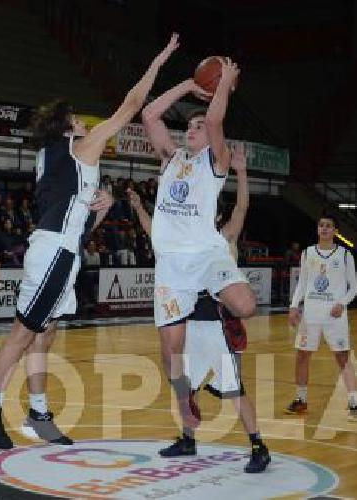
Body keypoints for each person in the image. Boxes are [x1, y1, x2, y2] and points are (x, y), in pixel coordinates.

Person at [0, 34, 180, 450]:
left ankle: (38, 413)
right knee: (23, 334)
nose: (87, 123)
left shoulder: (55, 158)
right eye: (80, 119)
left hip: (62, 248)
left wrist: (103, 204)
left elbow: (79, 221)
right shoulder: (79, 148)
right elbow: (131, 106)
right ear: (69, 126)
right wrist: (160, 60)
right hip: (53, 253)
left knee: (44, 334)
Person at [141, 54, 255, 454]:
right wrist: (190, 87)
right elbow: (151, 114)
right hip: (172, 264)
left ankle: (222, 312)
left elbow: (216, 121)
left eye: (198, 125)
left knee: (246, 305)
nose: (192, 128)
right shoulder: (171, 158)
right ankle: (186, 400)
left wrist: (223, 83)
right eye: (188, 125)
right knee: (169, 350)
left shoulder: (216, 162)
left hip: (205, 254)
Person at [128, 145, 268, 471]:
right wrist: (138, 207)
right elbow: (154, 232)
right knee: (183, 384)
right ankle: (187, 438)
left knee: (234, 389)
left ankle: (258, 445)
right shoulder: (180, 240)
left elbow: (242, 208)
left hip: (217, 326)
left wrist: (242, 171)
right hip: (190, 322)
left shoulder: (224, 238)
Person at [287, 212, 357, 421]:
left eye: (329, 226)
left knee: (342, 358)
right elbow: (302, 283)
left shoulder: (345, 255)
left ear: (336, 231)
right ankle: (300, 400)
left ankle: (354, 402)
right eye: (321, 225)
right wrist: (294, 306)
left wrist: (342, 303)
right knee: (302, 356)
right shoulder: (308, 252)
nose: (325, 229)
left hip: (334, 316)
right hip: (310, 315)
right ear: (318, 229)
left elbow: (353, 288)